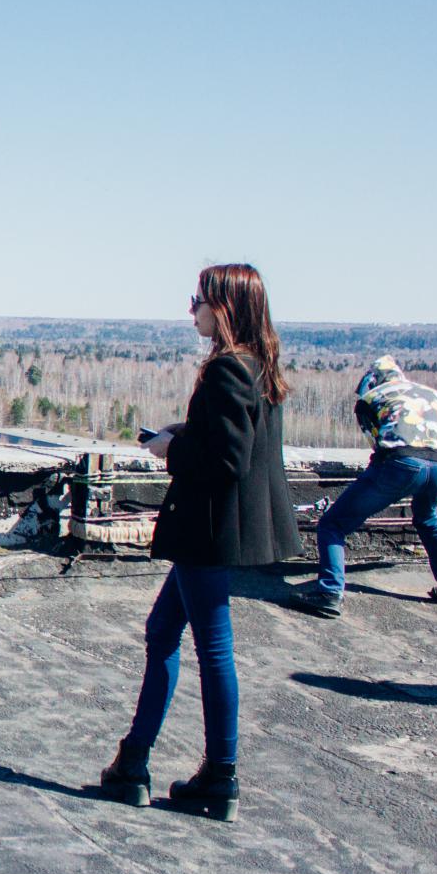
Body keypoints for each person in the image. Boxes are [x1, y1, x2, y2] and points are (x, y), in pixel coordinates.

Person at [98, 264, 301, 822]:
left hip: (208, 531)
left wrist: (171, 452)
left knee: (213, 650)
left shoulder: (227, 371)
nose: (192, 310)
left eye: (198, 300)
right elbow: (237, 441)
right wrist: (183, 433)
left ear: (225, 307)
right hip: (219, 532)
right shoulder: (258, 367)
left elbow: (229, 462)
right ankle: (134, 760)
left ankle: (218, 774)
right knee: (162, 630)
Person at [295, 356, 437, 617]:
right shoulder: (433, 395)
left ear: (373, 379)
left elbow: (376, 441)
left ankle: (329, 592)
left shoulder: (370, 398)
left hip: (400, 464)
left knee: (333, 524)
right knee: (428, 518)